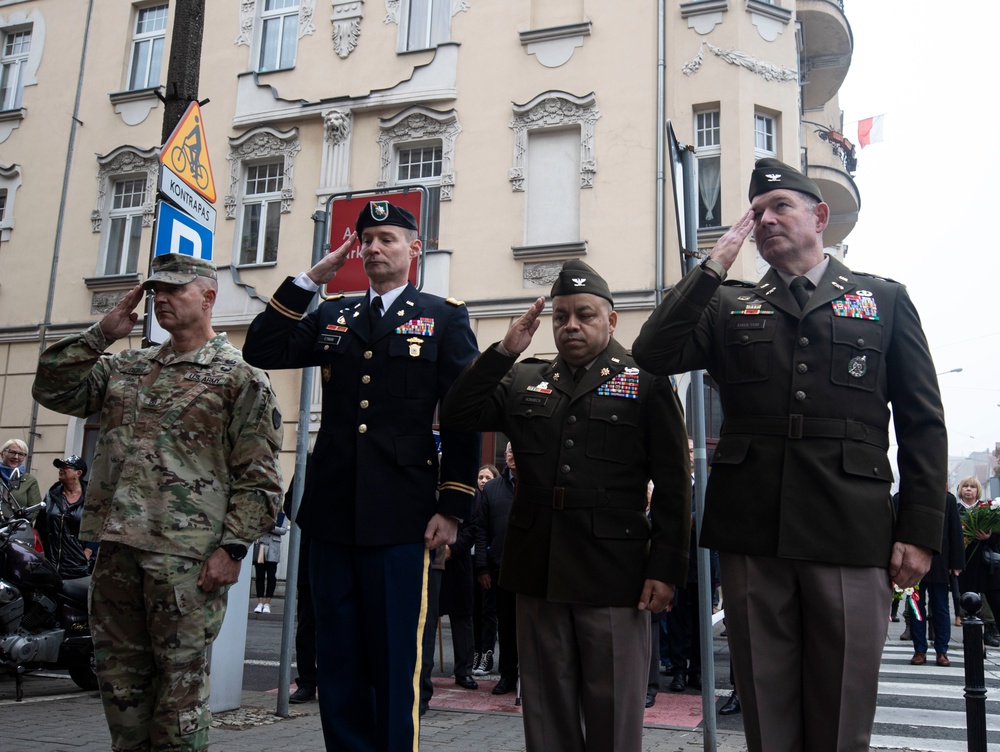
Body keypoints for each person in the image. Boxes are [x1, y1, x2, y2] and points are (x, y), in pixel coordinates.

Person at [632, 157, 947, 752]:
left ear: (820, 216)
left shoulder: (882, 300)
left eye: (781, 207)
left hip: (850, 528)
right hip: (754, 529)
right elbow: (652, 351)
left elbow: (922, 422)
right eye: (756, 213)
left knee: (841, 710)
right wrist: (713, 266)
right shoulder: (728, 304)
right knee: (765, 706)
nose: (766, 219)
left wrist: (920, 529)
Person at [242, 200, 480, 751]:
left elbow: (465, 413)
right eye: (367, 239)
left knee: (396, 658)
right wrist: (311, 279)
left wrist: (453, 504)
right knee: (339, 656)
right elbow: (263, 347)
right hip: (331, 513)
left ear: (413, 249)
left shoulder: (444, 316)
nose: (374, 248)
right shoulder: (332, 313)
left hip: (403, 516)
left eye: (388, 239)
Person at [32, 253, 284, 752]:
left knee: (178, 696)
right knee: (121, 688)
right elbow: (52, 387)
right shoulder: (127, 367)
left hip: (186, 560)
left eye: (174, 289)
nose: (161, 299)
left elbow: (259, 478)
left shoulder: (240, 378)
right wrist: (101, 333)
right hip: (116, 550)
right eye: (155, 291)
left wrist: (232, 550)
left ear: (208, 297)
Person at [440, 260, 692, 752]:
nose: (570, 325)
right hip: (539, 569)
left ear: (611, 319)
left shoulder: (646, 382)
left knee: (613, 710)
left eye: (584, 314)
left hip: (614, 574)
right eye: (560, 316)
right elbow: (458, 411)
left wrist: (666, 567)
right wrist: (505, 351)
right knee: (546, 709)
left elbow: (673, 482)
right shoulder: (524, 378)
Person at [474, 443, 519, 695]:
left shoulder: (536, 486)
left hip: (533, 570)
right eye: (508, 450)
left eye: (516, 450)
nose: (511, 455)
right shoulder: (492, 489)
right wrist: (482, 566)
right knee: (506, 624)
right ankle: (508, 675)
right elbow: (481, 531)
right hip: (501, 568)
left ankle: (531, 676)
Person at [907, 490, 963, 666]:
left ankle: (942, 651)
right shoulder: (906, 496)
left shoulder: (947, 499)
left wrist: (956, 562)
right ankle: (919, 650)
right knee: (916, 607)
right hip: (913, 561)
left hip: (940, 561)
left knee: (940, 608)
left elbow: (955, 531)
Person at [35, 456, 96, 579]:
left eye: (66, 467)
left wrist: (88, 553)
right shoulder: (51, 495)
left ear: (78, 473)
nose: (61, 469)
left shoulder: (91, 498)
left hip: (78, 564)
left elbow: (97, 528)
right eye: (60, 467)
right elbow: (40, 526)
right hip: (50, 561)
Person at [957, 476, 1000, 642]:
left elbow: (997, 538)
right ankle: (972, 637)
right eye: (965, 486)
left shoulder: (987, 509)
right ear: (961, 490)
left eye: (972, 487)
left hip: (987, 564)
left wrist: (988, 537)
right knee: (968, 601)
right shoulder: (955, 509)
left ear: (978, 491)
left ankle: (990, 631)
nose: (968, 489)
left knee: (994, 601)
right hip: (966, 563)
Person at [471, 463, 499, 674]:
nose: (483, 481)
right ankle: (476, 654)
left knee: (489, 611)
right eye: (480, 477)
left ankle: (486, 656)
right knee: (474, 610)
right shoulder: (472, 499)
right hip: (470, 562)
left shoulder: (494, 499)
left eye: (487, 477)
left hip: (489, 563)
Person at [0, 439, 42, 549]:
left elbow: (35, 508)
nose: (16, 457)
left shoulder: (29, 480)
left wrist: (20, 522)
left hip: (17, 533)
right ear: (2, 453)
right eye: (12, 452)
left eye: (21, 454)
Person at [253, 512, 289, 614]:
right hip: (261, 547)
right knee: (259, 576)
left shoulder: (281, 515)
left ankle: (267, 603)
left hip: (273, 548)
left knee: (271, 577)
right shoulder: (263, 512)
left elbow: (283, 530)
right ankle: (259, 602)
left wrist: (271, 527)